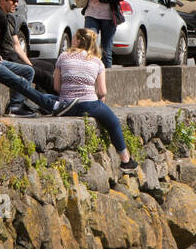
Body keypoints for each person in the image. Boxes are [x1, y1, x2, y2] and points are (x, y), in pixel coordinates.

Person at [54, 29, 138, 174]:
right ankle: (125, 160)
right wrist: (99, 98)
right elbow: (102, 91)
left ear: (79, 41)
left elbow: (56, 87)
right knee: (113, 122)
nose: (72, 40)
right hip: (89, 105)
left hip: (66, 104)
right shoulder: (97, 62)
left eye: (74, 38)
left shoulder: (63, 56)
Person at [0, 0, 36, 116]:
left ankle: (35, 104)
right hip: (4, 57)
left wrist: (29, 62)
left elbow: (17, 45)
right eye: (13, 1)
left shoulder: (10, 17)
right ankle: (16, 105)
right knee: (32, 73)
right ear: (2, 0)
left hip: (13, 56)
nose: (16, 4)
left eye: (17, 1)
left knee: (44, 68)